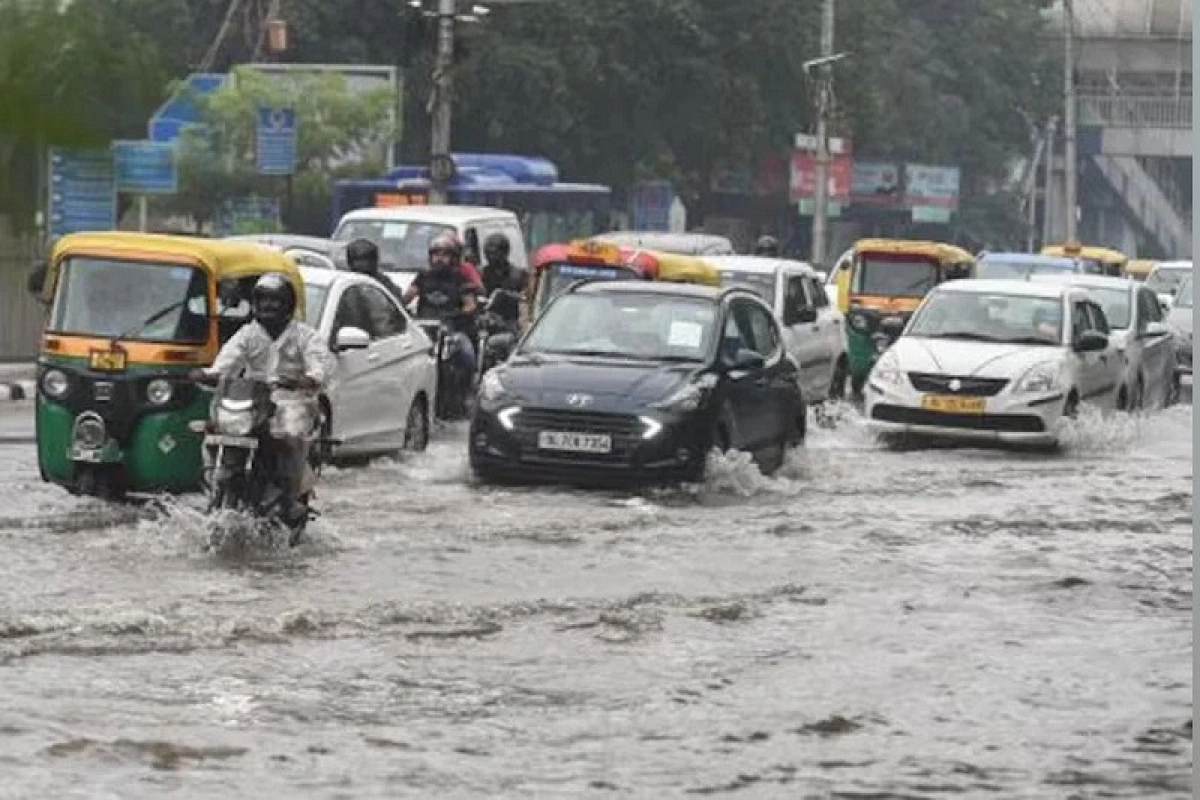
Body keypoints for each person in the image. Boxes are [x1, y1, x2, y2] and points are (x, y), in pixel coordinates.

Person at [189, 273, 334, 525]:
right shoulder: (247, 334)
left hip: (293, 401)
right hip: (254, 403)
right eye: (263, 300)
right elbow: (226, 364)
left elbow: (319, 367)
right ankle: (216, 482)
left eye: (275, 300)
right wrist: (206, 374)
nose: (268, 306)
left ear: (288, 304)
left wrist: (306, 379)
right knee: (213, 428)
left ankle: (291, 495)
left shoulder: (305, 336)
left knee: (291, 434)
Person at [402, 231, 480, 381]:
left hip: (452, 331)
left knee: (467, 352)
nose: (439, 259)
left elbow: (470, 304)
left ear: (453, 258)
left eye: (445, 255)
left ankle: (470, 385)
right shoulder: (423, 277)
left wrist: (460, 314)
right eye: (436, 255)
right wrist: (398, 308)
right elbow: (407, 297)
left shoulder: (460, 279)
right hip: (424, 330)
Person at [480, 232, 528, 329]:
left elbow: (526, 299)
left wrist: (506, 295)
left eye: (494, 253)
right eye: (487, 253)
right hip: (487, 322)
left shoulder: (518, 275)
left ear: (504, 253)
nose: (490, 257)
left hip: (511, 324)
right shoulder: (482, 274)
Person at [344, 238, 409, 307]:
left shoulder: (382, 283)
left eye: (365, 260)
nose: (362, 264)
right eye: (358, 260)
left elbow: (396, 304)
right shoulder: (344, 283)